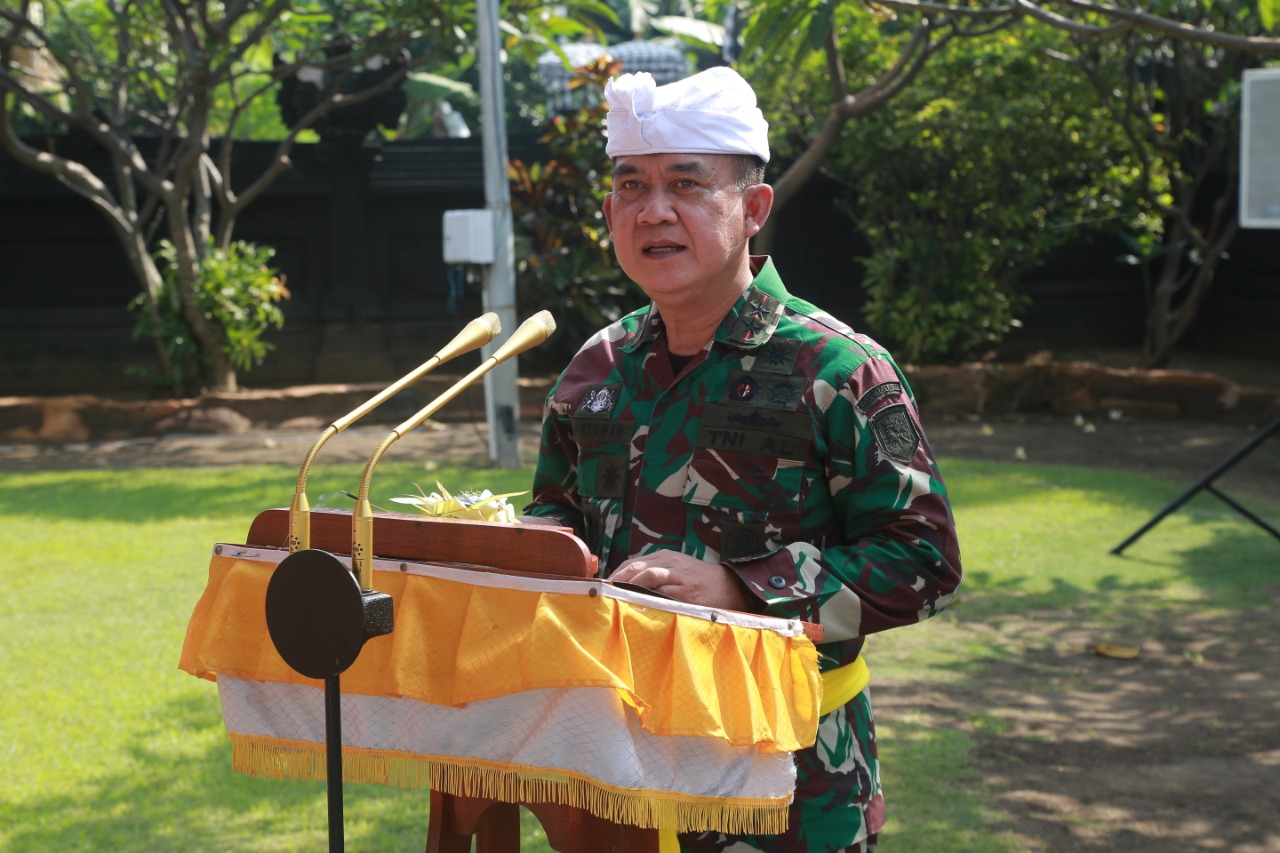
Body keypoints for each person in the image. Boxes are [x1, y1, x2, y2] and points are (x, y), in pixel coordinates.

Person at [522, 66, 963, 853]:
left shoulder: (839, 369)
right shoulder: (596, 367)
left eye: (686, 185)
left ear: (753, 208)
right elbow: (556, 515)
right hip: (612, 768)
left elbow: (924, 559)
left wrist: (744, 589)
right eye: (631, 186)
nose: (654, 210)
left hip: (788, 780)